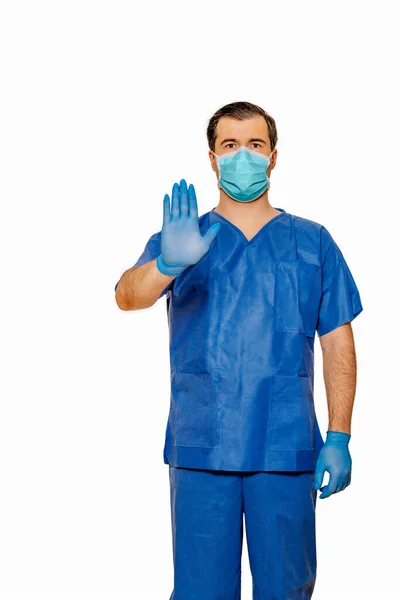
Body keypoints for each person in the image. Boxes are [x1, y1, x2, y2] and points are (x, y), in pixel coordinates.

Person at [114, 101, 363, 599]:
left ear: (273, 157)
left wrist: (339, 434)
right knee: (200, 592)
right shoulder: (184, 238)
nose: (242, 155)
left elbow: (338, 344)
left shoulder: (313, 243)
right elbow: (127, 296)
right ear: (212, 158)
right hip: (203, 445)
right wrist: (167, 262)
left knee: (286, 591)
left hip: (285, 448)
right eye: (230, 145)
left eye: (254, 144)